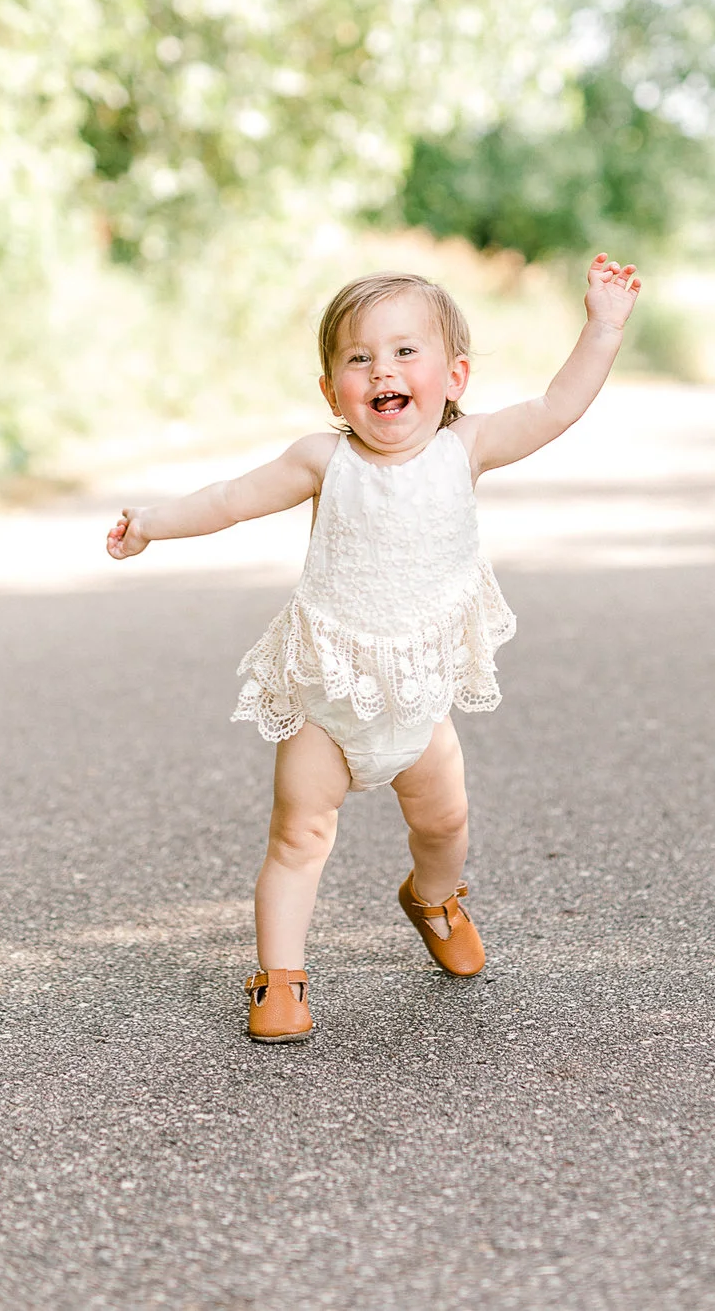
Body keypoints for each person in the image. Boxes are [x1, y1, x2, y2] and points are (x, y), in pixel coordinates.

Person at [107, 255, 642, 1042]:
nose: (381, 369)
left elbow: (560, 405)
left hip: (419, 700)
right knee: (297, 836)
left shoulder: (468, 449)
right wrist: (151, 522)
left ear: (453, 375)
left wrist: (603, 325)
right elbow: (227, 500)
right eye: (358, 358)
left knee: (445, 824)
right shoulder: (324, 461)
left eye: (404, 352)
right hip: (328, 697)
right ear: (332, 391)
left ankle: (433, 897)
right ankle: (279, 977)